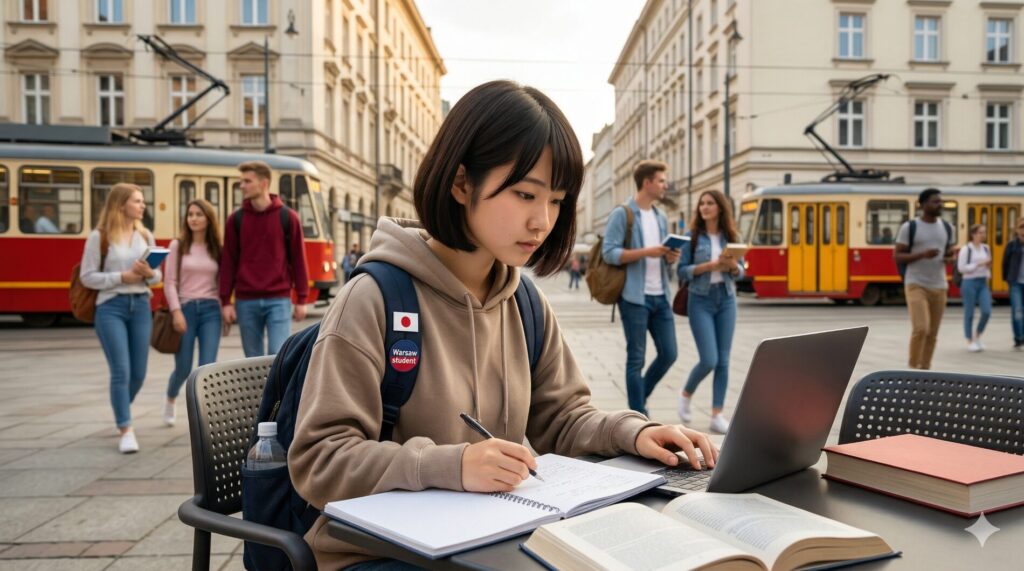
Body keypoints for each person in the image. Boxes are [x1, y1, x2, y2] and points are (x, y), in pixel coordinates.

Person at [288, 81, 718, 571]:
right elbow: (319, 459)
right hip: (378, 555)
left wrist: (635, 434)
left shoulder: (524, 302)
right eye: (525, 194)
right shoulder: (374, 299)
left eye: (556, 200)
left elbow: (562, 418)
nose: (543, 221)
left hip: (489, 542)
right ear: (461, 183)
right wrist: (450, 465)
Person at [78, 183, 161, 453]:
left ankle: (120, 406)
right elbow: (87, 276)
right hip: (110, 307)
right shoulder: (99, 237)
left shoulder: (145, 234)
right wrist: (121, 277)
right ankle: (126, 427)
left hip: (140, 305)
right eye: (137, 201)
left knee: (138, 373)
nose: (142, 205)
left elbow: (158, 276)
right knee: (121, 371)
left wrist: (149, 273)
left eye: (141, 201)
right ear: (121, 204)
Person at [602, 160, 679, 415]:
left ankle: (638, 397)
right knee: (636, 358)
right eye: (660, 180)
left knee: (669, 353)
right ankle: (638, 414)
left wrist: (669, 257)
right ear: (647, 183)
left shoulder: (660, 216)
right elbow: (609, 253)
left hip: (661, 296)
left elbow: (662, 256)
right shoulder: (622, 213)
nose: (664, 185)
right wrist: (649, 251)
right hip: (634, 297)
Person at [220, 161, 309, 357]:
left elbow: (298, 260)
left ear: (264, 183)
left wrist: (302, 299)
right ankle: (259, 391)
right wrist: (226, 301)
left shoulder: (288, 217)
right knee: (252, 361)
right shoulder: (235, 220)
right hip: (245, 301)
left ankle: (274, 390)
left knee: (277, 357)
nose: (242, 186)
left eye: (247, 181)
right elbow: (228, 262)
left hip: (278, 299)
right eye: (241, 181)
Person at [676, 190, 744, 434]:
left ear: (720, 207)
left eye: (710, 203)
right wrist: (709, 266)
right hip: (700, 300)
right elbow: (681, 271)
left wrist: (733, 266)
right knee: (709, 359)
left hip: (726, 299)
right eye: (702, 204)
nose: (704, 207)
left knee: (724, 361)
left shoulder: (731, 236)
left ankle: (717, 414)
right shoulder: (692, 237)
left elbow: (743, 272)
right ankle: (685, 394)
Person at [164, 199, 223, 426]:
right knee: (183, 367)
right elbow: (170, 282)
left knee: (207, 367)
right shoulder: (177, 246)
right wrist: (176, 311)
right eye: (190, 214)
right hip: (186, 309)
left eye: (199, 214)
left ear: (208, 219)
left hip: (211, 311)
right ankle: (170, 396)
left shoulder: (217, 248)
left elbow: (221, 283)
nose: (194, 218)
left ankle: (202, 416)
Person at [894, 188, 954, 370]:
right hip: (916, 284)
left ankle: (925, 369)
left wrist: (949, 258)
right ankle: (913, 368)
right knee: (921, 328)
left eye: (940, 201)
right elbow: (897, 256)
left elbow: (949, 252)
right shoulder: (909, 227)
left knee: (933, 333)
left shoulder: (947, 227)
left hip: (939, 285)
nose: (940, 204)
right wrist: (922, 255)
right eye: (935, 201)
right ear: (923, 204)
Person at [958, 224, 992, 353]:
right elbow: (961, 268)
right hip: (969, 282)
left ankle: (977, 335)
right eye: (980, 232)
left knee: (986, 311)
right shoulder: (966, 249)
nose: (983, 235)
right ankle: (969, 340)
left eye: (984, 232)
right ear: (973, 234)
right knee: (969, 312)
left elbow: (988, 264)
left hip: (983, 282)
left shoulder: (986, 248)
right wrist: (978, 264)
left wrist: (987, 266)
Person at [1003, 217, 1024, 349]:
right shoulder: (1012, 245)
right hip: (1015, 282)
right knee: (1017, 310)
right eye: (1021, 227)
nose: (1023, 230)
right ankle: (1018, 338)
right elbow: (1005, 263)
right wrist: (1007, 279)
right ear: (1016, 229)